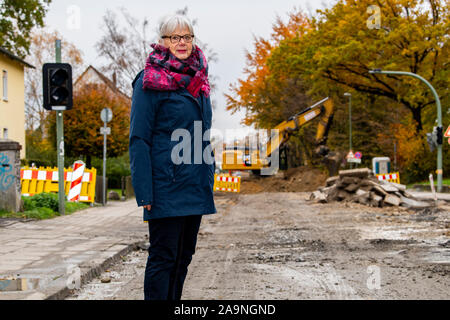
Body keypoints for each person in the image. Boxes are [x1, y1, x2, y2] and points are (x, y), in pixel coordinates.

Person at [129, 14, 217, 300]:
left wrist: (209, 173)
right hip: (165, 186)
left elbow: (203, 133)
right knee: (163, 257)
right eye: (175, 37)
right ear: (163, 42)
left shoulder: (199, 81)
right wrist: (144, 191)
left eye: (187, 37)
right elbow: (139, 139)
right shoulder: (149, 82)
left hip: (194, 184)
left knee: (183, 258)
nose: (182, 42)